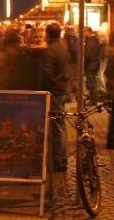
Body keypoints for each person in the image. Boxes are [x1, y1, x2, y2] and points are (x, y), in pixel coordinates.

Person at [40, 23, 71, 172]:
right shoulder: (63, 46)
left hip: (55, 91)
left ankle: (60, 159)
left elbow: (46, 73)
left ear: (48, 34)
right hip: (62, 89)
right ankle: (61, 157)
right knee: (60, 124)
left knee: (57, 126)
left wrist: (46, 87)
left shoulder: (50, 50)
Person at [83, 27, 102, 104]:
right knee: (92, 81)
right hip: (94, 63)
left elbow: (89, 54)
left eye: (84, 32)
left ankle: (93, 100)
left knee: (91, 82)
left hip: (91, 64)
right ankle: (93, 99)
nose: (83, 34)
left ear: (89, 32)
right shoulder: (94, 40)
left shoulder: (91, 41)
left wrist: (85, 62)